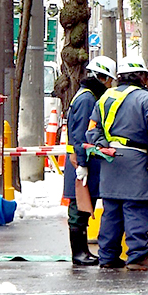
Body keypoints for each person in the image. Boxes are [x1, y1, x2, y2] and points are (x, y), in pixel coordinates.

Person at [86, 57, 148, 270]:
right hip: (137, 161)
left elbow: (92, 128)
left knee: (111, 211)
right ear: (142, 76)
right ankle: (137, 257)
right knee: (136, 209)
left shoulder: (106, 97)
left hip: (111, 162)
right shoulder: (147, 99)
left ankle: (108, 257)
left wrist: (102, 145)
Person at [62, 56, 117, 266]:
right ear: (101, 77)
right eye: (108, 80)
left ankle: (82, 251)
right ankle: (79, 253)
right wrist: (82, 165)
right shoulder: (87, 99)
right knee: (79, 208)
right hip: (80, 162)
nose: (110, 85)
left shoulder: (86, 95)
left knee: (83, 206)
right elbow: (81, 135)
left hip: (81, 161)